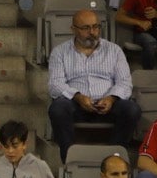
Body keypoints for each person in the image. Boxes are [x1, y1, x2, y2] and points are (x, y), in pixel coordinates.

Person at [47, 12, 140, 150]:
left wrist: (111, 98)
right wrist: (78, 97)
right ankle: (69, 157)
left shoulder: (114, 50)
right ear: (73, 29)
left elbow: (125, 82)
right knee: (57, 108)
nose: (92, 32)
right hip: (76, 105)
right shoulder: (59, 52)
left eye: (96, 27)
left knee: (132, 109)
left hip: (108, 105)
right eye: (86, 28)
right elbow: (55, 84)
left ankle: (114, 155)